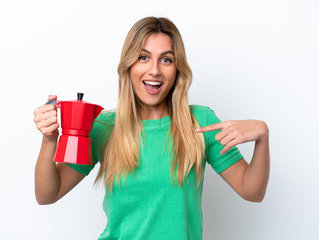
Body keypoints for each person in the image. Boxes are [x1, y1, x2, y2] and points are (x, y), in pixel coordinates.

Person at [33, 17, 270, 240]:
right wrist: (49, 140)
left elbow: (252, 191)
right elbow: (47, 195)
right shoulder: (104, 127)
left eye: (166, 59)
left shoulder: (201, 122)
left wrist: (262, 136)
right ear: (129, 66)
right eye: (143, 57)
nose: (154, 70)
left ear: (177, 70)